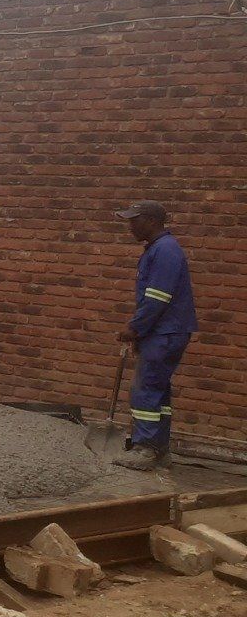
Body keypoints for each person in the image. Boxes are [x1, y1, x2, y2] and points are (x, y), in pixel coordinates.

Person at [114, 201, 197, 471]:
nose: (130, 226)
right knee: (158, 390)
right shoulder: (161, 249)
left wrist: (135, 327)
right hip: (166, 330)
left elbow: (157, 298)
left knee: (146, 388)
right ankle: (160, 450)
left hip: (165, 331)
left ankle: (145, 449)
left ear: (150, 220)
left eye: (133, 220)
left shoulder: (164, 251)